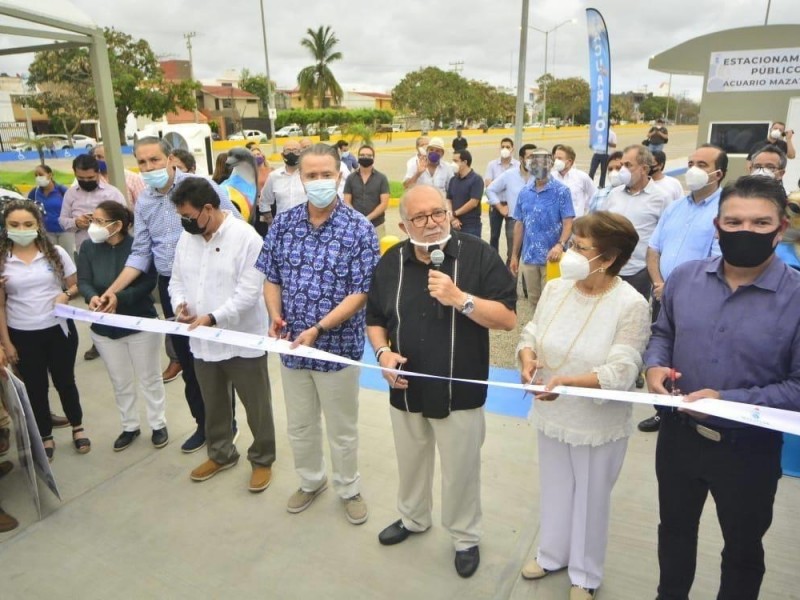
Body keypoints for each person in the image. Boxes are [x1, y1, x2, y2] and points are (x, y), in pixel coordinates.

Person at [644, 175, 800, 600]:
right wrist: (655, 366)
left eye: (759, 223)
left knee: (743, 549)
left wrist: (726, 401)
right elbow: (663, 333)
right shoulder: (684, 279)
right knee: (674, 533)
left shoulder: (796, 297)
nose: (744, 232)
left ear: (780, 228)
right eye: (733, 223)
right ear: (717, 227)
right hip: (679, 440)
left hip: (749, 449)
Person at [367, 184, 516, 579]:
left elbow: (507, 317)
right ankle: (413, 518)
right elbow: (376, 319)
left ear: (450, 213)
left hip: (460, 388)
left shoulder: (477, 254)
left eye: (437, 213)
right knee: (411, 462)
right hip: (406, 386)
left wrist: (461, 299)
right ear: (403, 224)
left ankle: (465, 537)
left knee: (461, 469)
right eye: (419, 218)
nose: (431, 224)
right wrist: (383, 355)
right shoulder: (392, 261)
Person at [517, 211, 650, 600]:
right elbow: (533, 331)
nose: (570, 252)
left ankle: (585, 575)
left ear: (608, 259)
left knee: (591, 498)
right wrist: (527, 357)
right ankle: (552, 553)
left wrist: (570, 383)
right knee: (555, 487)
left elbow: (623, 369)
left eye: (580, 247)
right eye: (573, 243)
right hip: (551, 409)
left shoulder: (630, 304)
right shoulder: (559, 288)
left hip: (595, 421)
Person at [257, 143, 379, 523]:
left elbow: (361, 293)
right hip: (292, 347)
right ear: (301, 178)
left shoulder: (359, 229)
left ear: (339, 175)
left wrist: (319, 328)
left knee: (342, 428)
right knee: (300, 424)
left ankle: (348, 486)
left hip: (336, 349)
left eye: (327, 174)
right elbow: (271, 276)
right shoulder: (284, 223)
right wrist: (275, 315)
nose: (320, 181)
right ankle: (311, 481)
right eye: (312, 175)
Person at [96, 137, 242, 454]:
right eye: (142, 162)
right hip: (171, 287)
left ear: (170, 160)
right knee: (187, 361)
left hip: (208, 283)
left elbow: (234, 224)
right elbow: (140, 254)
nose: (148, 168)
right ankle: (203, 425)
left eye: (154, 160)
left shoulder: (200, 186)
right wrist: (111, 291)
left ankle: (227, 425)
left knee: (216, 359)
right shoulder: (146, 202)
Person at [169, 178, 276, 493]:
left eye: (189, 216)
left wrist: (214, 317)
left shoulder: (246, 238)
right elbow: (176, 279)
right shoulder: (186, 239)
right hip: (202, 339)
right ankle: (221, 454)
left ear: (208, 208)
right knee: (213, 403)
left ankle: (262, 459)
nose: (185, 223)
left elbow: (248, 292)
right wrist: (180, 305)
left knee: (256, 405)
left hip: (242, 338)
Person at [639, 144, 727, 434]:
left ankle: (693, 409)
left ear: (718, 173)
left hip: (698, 300)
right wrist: (660, 284)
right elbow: (654, 249)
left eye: (702, 164)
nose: (693, 169)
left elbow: (717, 260)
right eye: (691, 162)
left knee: (690, 355)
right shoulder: (675, 207)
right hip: (663, 293)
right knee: (662, 350)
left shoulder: (722, 212)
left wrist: (680, 290)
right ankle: (664, 410)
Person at [0, 200, 89, 461]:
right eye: (14, 225)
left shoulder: (56, 252)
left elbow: (76, 285)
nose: (22, 229)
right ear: (5, 227)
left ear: (38, 225)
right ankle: (46, 435)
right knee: (36, 388)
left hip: (59, 330)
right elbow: (1, 307)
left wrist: (66, 294)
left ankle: (77, 426)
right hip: (22, 334)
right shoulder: (3, 260)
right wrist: (7, 343)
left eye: (28, 224)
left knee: (65, 382)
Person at [77, 201, 168, 452]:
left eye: (99, 221)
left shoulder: (138, 247)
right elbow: (83, 280)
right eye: (92, 220)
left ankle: (158, 423)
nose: (92, 226)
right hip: (104, 329)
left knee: (149, 377)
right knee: (120, 380)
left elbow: (147, 283)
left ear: (117, 225)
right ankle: (130, 426)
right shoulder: (87, 247)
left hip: (139, 323)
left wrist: (121, 298)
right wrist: (91, 297)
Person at [510, 149, 575, 314]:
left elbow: (568, 223)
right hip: (530, 257)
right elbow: (519, 224)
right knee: (534, 300)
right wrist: (514, 255)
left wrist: (560, 245)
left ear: (551, 164)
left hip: (552, 258)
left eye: (543, 162)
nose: (539, 166)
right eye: (535, 162)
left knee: (553, 301)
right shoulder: (524, 192)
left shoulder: (562, 191)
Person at [603, 144, 669, 300]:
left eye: (628, 165)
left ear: (644, 169)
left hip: (639, 273)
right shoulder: (614, 194)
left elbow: (665, 239)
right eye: (621, 165)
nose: (622, 170)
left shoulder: (661, 198)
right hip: (610, 269)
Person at [59, 154, 127, 252]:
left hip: (111, 249)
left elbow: (125, 220)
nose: (86, 181)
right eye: (81, 178)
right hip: (83, 251)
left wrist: (102, 223)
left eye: (90, 178)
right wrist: (76, 223)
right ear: (75, 174)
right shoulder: (70, 194)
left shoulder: (112, 193)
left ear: (98, 173)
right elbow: (62, 221)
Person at [486, 143, 536, 264]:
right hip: (514, 221)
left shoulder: (540, 176)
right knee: (513, 257)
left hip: (535, 221)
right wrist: (500, 207)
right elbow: (490, 190)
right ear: (521, 159)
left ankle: (527, 283)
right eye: (529, 157)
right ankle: (512, 282)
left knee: (532, 257)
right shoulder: (509, 175)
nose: (532, 160)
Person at [343, 145, 390, 238]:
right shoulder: (350, 178)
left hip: (377, 226)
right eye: (362, 155)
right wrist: (358, 218)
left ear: (373, 158)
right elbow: (347, 201)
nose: (365, 157)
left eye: (369, 155)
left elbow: (384, 203)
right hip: (355, 225)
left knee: (378, 252)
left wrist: (367, 218)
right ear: (358, 157)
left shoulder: (382, 178)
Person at [27, 164, 73, 257]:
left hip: (64, 231)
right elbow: (29, 209)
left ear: (50, 175)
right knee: (51, 258)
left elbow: (72, 207)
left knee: (67, 257)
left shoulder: (62, 190)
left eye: (41, 174)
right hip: (46, 232)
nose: (38, 177)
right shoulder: (34, 193)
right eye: (36, 175)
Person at [485, 138, 521, 254]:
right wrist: (505, 185)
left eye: (508, 147)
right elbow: (488, 184)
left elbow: (518, 185)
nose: (505, 149)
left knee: (511, 236)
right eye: (503, 147)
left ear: (512, 149)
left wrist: (499, 185)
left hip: (512, 206)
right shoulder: (492, 165)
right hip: (496, 205)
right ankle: (493, 258)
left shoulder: (518, 165)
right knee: (494, 235)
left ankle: (511, 261)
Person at [258, 140, 306, 220]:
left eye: (295, 151)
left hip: (306, 226)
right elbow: (264, 202)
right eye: (287, 151)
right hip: (282, 227)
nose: (291, 154)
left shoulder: (309, 175)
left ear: (301, 154)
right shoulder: (274, 176)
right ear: (282, 154)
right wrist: (271, 222)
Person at [550, 145, 596, 219]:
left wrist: (585, 209)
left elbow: (594, 195)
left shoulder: (582, 177)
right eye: (555, 158)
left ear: (569, 162)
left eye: (559, 158)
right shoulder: (550, 177)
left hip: (576, 224)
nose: (556, 161)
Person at [447, 150, 485, 238]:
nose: (453, 164)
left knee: (471, 251)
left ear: (464, 162)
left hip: (471, 226)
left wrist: (455, 213)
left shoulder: (476, 179)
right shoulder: (453, 180)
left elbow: (473, 202)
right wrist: (452, 217)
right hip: (454, 223)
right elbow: (448, 199)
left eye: (455, 161)